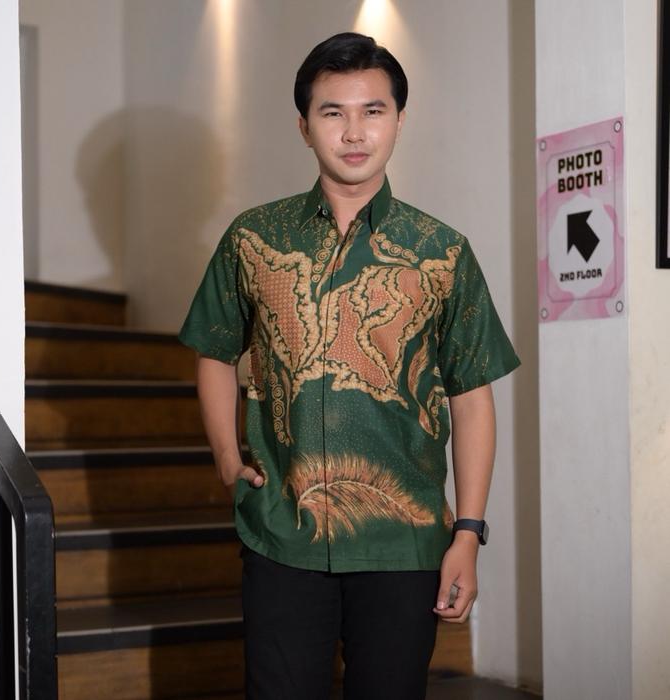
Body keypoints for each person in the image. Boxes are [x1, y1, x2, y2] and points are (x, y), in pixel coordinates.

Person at [179, 31, 520, 700]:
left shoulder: (442, 252)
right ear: (304, 125)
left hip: (405, 541)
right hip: (282, 533)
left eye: (374, 111)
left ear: (399, 119)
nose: (355, 132)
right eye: (333, 112)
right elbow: (214, 350)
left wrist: (468, 533)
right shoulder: (254, 238)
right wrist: (226, 459)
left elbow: (471, 396)